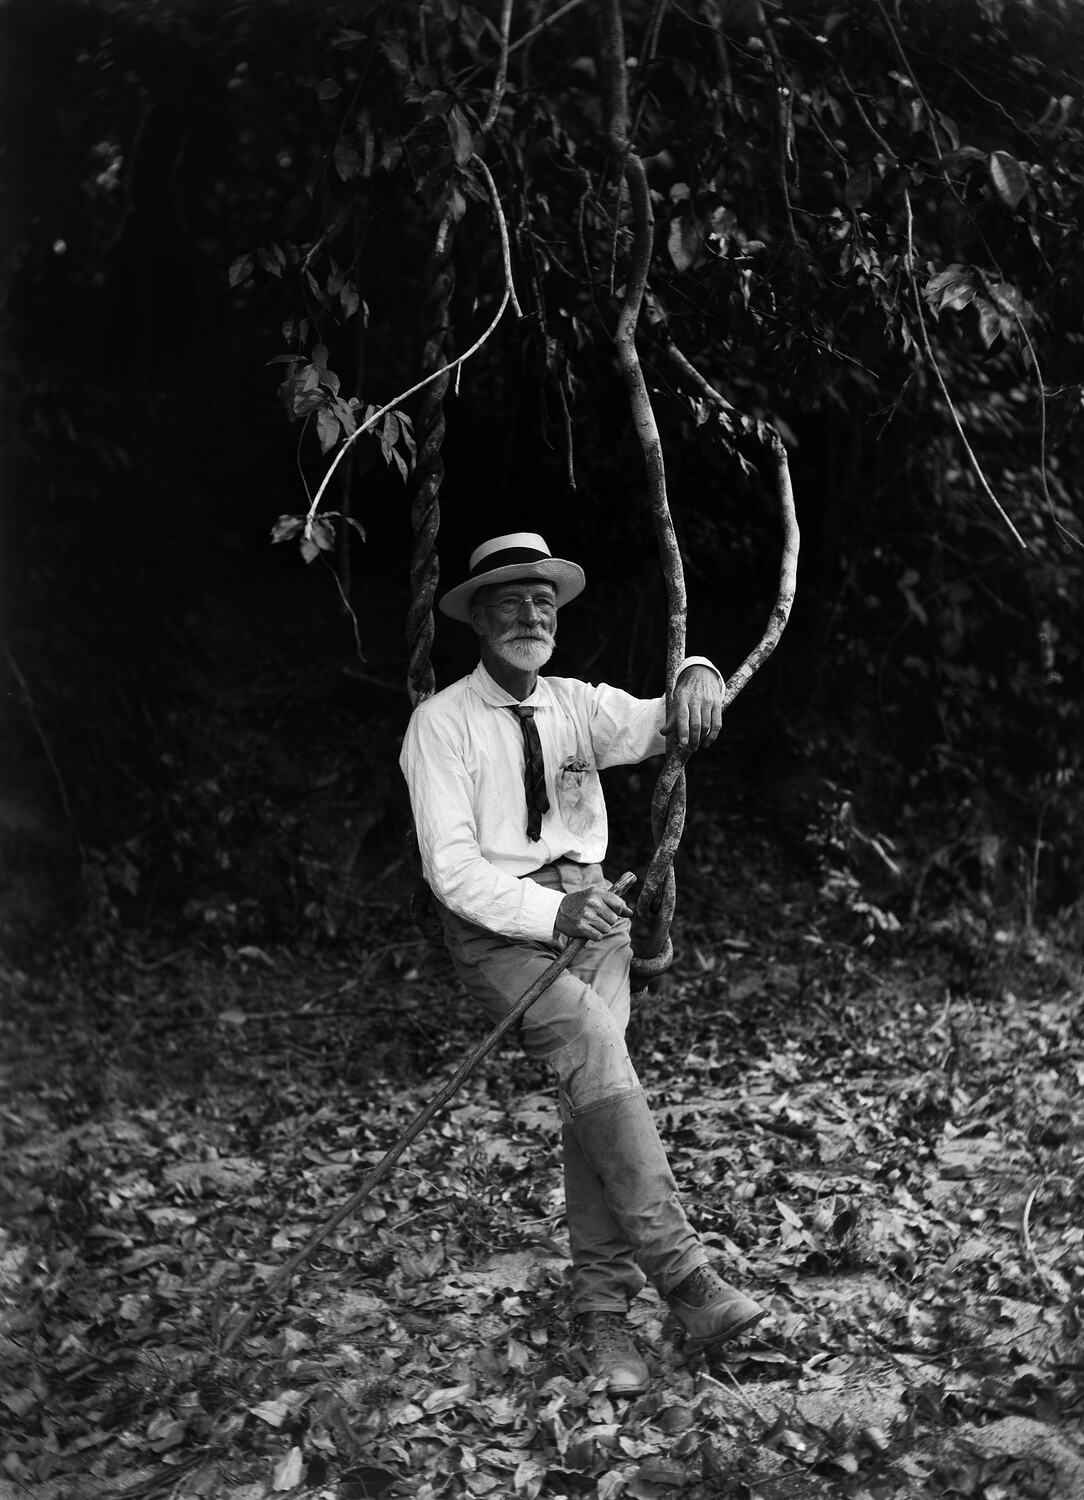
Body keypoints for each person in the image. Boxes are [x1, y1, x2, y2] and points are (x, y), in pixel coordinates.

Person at [399, 531, 764, 1396]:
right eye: (512, 601)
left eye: (545, 603)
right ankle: (685, 1277)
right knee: (597, 1057)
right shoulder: (440, 725)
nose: (531, 615)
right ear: (478, 618)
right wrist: (550, 908)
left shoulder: (574, 704)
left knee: (592, 1100)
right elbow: (452, 872)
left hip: (595, 918)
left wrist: (701, 670)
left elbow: (663, 715)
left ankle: (604, 1320)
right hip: (499, 928)